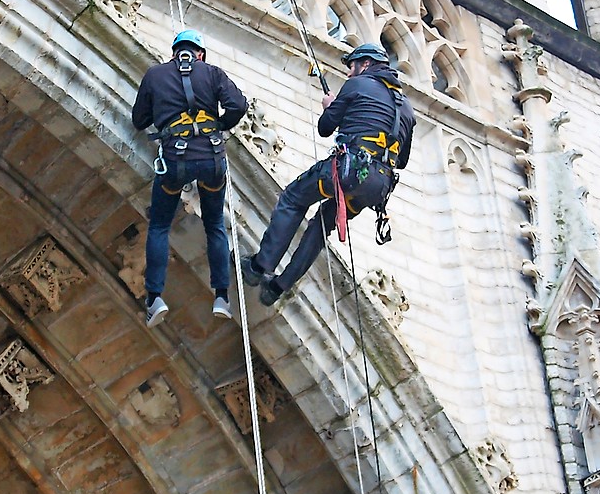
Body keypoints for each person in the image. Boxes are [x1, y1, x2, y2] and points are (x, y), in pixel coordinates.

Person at [241, 43, 414, 305]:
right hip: (377, 187)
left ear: (365, 64)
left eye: (352, 67)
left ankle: (259, 267)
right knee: (323, 224)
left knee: (294, 198)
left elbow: (325, 127)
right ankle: (277, 287)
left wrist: (330, 106)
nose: (348, 74)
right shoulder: (407, 109)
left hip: (347, 171)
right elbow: (401, 160)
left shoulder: (358, 85)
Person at [132, 29, 248, 327]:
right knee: (214, 226)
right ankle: (221, 297)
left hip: (175, 161)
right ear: (201, 54)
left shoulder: (155, 75)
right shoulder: (212, 73)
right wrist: (218, 125)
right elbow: (239, 105)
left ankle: (155, 298)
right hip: (211, 159)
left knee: (159, 225)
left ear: (174, 53)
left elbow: (139, 120)